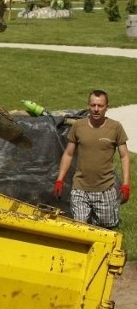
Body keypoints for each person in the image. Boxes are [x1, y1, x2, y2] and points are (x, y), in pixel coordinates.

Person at [55, 89, 131, 228]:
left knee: (106, 228)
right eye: (93, 105)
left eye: (100, 106)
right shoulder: (78, 126)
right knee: (79, 228)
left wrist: (125, 184)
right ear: (88, 105)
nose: (96, 109)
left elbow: (124, 156)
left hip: (105, 189)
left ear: (107, 107)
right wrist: (60, 179)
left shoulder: (115, 127)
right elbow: (68, 154)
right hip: (80, 188)